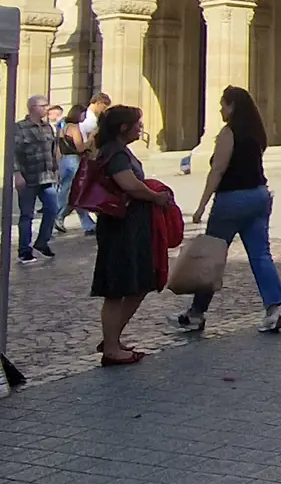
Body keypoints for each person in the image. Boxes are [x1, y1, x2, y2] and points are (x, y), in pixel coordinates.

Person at [177, 86, 281, 336]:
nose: (220, 110)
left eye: (223, 104)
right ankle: (273, 310)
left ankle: (196, 312)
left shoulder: (229, 132)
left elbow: (218, 169)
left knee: (211, 256)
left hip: (232, 199)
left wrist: (202, 205)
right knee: (261, 255)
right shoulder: (256, 133)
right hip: (259, 195)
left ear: (233, 106)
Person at [90, 105, 175, 365]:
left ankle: (112, 339)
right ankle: (111, 348)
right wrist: (155, 196)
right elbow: (129, 184)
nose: (141, 128)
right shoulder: (115, 153)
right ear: (123, 127)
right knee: (117, 288)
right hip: (120, 227)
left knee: (138, 284)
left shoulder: (117, 150)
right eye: (137, 123)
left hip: (128, 226)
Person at [13, 95, 59, 263]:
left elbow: (53, 150)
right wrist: (17, 174)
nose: (47, 109)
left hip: (47, 177)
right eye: (43, 106)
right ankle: (24, 250)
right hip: (28, 177)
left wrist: (56, 170)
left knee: (52, 209)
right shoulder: (20, 128)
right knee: (27, 214)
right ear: (33, 107)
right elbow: (14, 152)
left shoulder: (48, 127)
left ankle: (42, 242)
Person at [54, 103, 95, 235]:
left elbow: (58, 146)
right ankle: (58, 216)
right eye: (83, 114)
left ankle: (87, 224)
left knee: (69, 190)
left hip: (64, 160)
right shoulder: (74, 128)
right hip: (73, 161)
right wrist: (91, 139)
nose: (85, 117)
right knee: (75, 191)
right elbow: (80, 147)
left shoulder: (64, 126)